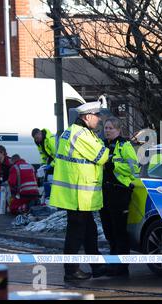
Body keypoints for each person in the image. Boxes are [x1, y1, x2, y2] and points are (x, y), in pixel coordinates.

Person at [49, 101, 110, 282]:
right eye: (96, 116)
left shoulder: (73, 131)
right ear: (87, 117)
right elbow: (102, 156)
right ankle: (71, 270)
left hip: (76, 193)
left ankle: (97, 266)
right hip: (77, 194)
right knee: (76, 233)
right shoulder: (81, 134)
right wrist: (108, 149)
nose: (99, 119)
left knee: (89, 230)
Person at [100, 117, 140, 277]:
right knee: (108, 231)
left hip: (120, 192)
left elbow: (133, 168)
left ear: (118, 130)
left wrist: (114, 165)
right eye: (106, 128)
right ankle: (113, 263)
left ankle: (122, 267)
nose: (107, 130)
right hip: (104, 193)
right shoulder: (102, 145)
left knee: (119, 231)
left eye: (110, 128)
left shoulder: (125, 145)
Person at [31, 128, 56, 198]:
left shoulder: (50, 140)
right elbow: (43, 155)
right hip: (52, 160)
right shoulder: (39, 143)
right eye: (35, 139)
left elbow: (58, 156)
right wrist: (43, 164)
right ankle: (48, 196)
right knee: (46, 179)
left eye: (37, 138)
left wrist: (51, 165)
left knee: (51, 179)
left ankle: (51, 196)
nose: (36, 140)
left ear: (40, 133)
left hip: (57, 161)